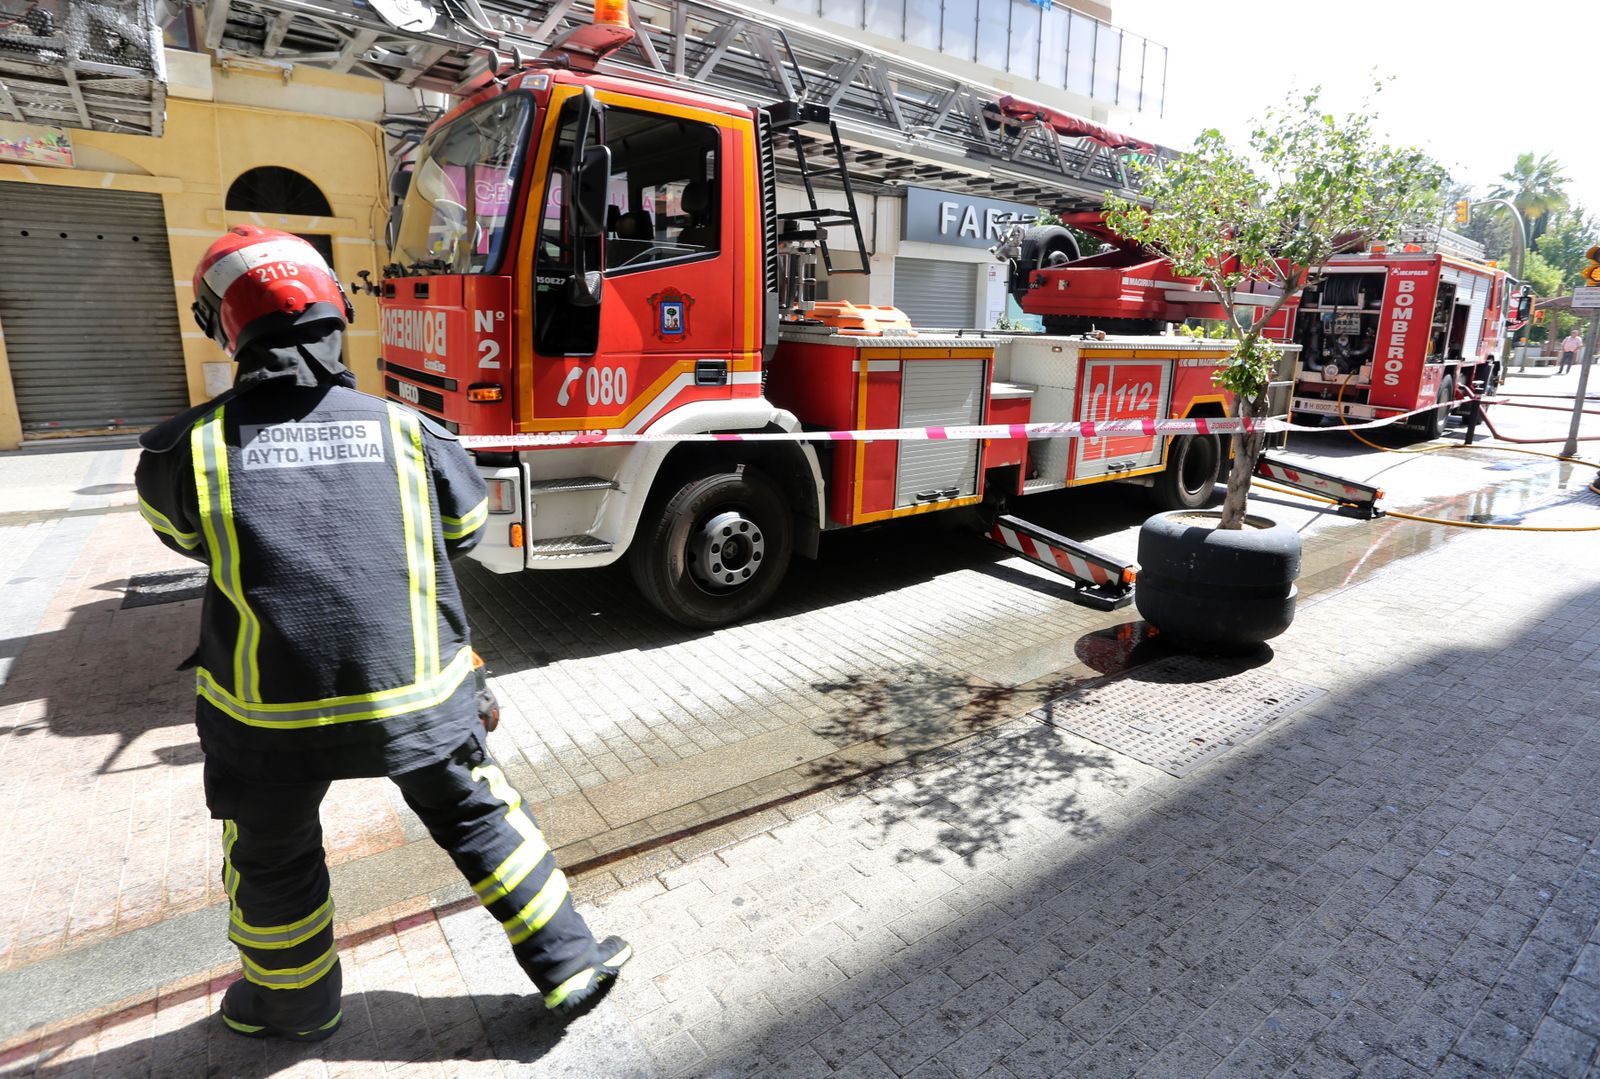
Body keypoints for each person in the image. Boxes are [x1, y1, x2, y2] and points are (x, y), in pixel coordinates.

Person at [135, 226, 629, 1043]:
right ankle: (569, 963)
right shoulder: (409, 431)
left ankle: (294, 1007)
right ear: (335, 313)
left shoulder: (182, 451)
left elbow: (185, 537)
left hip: (266, 718)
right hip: (419, 702)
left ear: (223, 324)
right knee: (480, 817)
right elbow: (468, 528)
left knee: (271, 858)